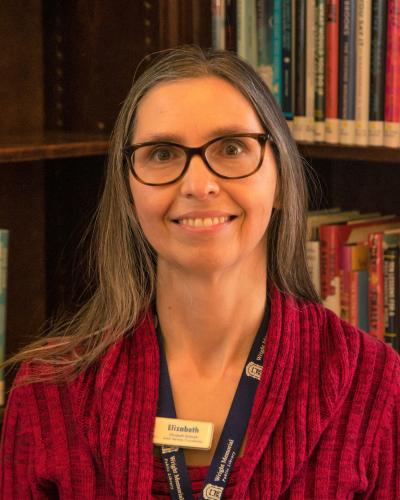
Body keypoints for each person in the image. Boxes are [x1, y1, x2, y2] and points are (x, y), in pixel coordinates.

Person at [0, 45, 399, 500]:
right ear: (128, 191)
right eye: (163, 153)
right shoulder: (48, 393)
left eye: (231, 148)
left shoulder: (375, 384)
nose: (197, 185)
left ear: (282, 177)